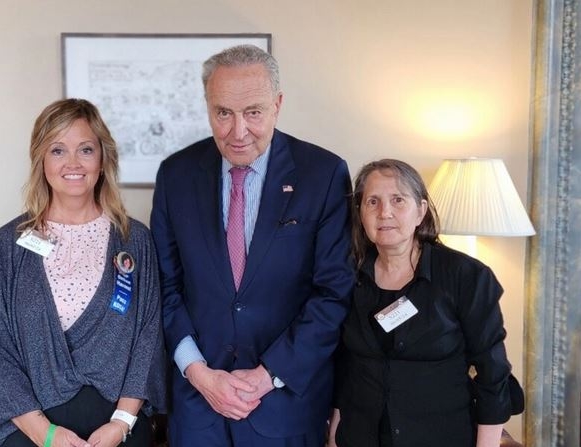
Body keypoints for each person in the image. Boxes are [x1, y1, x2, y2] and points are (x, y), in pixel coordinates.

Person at [150, 44, 355, 446]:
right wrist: (199, 373)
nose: (237, 131)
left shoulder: (324, 174)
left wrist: (266, 376)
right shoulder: (176, 175)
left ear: (277, 104)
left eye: (253, 113)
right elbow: (164, 287)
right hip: (197, 408)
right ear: (208, 106)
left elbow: (333, 293)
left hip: (285, 406)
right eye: (223, 113)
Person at [0, 98, 166, 447]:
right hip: (30, 431)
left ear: (103, 159)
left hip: (116, 430)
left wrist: (121, 424)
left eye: (86, 149)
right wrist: (44, 434)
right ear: (41, 160)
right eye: (58, 150)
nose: (73, 163)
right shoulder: (9, 244)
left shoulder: (134, 240)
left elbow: (147, 338)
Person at [327, 159, 517, 447]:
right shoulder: (347, 277)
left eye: (398, 200)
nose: (385, 212)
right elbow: (345, 369)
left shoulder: (466, 276)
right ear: (360, 213)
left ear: (421, 210)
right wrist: (333, 439)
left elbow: (493, 373)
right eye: (372, 202)